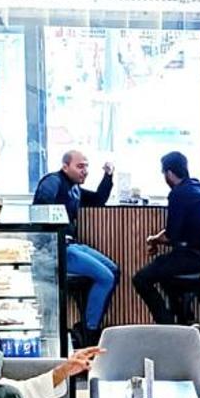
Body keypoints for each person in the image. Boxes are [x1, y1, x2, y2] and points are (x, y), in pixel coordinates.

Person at [32, 149, 118, 348]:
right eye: (80, 166)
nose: (84, 171)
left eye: (86, 166)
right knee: (106, 278)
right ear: (65, 166)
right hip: (54, 248)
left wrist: (108, 176)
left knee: (113, 270)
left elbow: (98, 200)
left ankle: (86, 323)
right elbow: (41, 207)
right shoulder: (53, 181)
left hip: (71, 244)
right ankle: (90, 330)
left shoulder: (75, 189)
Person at [132, 150, 200, 324]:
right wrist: (157, 238)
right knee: (166, 275)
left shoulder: (178, 194)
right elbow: (173, 233)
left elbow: (171, 236)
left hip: (194, 259)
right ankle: (184, 320)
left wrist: (153, 240)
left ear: (169, 173)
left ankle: (167, 326)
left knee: (141, 278)